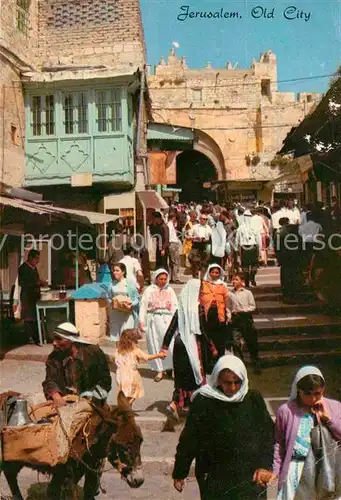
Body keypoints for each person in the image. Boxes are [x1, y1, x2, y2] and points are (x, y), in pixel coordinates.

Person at [172, 355, 275, 499]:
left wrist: (265, 466)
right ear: (217, 379)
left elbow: (268, 435)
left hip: (249, 476)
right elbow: (190, 439)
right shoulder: (203, 401)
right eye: (227, 382)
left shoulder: (253, 399)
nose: (232, 388)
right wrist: (180, 472)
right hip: (215, 476)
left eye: (237, 382)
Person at [269, 366, 341, 500]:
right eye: (308, 394)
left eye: (318, 393)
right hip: (296, 471)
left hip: (327, 470)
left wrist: (328, 419)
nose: (313, 398)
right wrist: (276, 471)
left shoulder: (335, 407)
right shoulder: (286, 411)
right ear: (298, 391)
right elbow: (280, 444)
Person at [43, 322, 112, 408]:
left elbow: (105, 380)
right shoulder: (54, 357)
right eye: (54, 338)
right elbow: (50, 380)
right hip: (65, 403)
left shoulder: (94, 352)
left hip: (93, 402)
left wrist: (93, 397)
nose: (54, 343)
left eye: (58, 339)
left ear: (71, 340)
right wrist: (56, 397)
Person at [139, 269, 178, 382]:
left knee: (170, 344)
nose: (163, 281)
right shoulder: (149, 290)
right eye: (160, 279)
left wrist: (176, 322)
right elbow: (143, 306)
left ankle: (170, 367)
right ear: (155, 279)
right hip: (154, 321)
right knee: (155, 344)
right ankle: (159, 370)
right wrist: (142, 320)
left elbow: (175, 306)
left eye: (165, 279)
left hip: (167, 320)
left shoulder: (170, 290)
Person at [114, 328, 166, 406]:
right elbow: (147, 357)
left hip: (120, 375)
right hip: (131, 374)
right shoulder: (135, 350)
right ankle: (126, 407)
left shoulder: (118, 350)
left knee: (125, 393)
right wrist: (159, 355)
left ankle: (126, 407)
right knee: (135, 391)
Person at [198, 264, 231, 374]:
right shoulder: (203, 284)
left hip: (219, 316)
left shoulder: (223, 286)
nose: (215, 274)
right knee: (207, 340)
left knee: (219, 341)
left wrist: (228, 314)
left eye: (217, 273)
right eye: (213, 272)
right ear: (209, 273)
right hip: (207, 316)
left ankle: (220, 366)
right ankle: (208, 367)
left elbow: (227, 301)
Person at [228, 272, 261, 374]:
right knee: (235, 343)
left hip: (246, 319)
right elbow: (228, 307)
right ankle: (240, 365)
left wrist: (243, 310)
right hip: (235, 320)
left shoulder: (247, 293)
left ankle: (256, 364)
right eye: (232, 279)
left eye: (236, 279)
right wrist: (229, 315)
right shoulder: (230, 294)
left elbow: (253, 306)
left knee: (252, 343)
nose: (234, 281)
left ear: (242, 282)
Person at [18, 249, 46, 345]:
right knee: (28, 318)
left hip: (34, 296)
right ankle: (28, 338)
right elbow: (22, 283)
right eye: (36, 259)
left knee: (34, 317)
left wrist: (41, 283)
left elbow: (36, 279)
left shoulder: (34, 268)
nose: (38, 261)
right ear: (30, 258)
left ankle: (35, 337)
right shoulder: (23, 268)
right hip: (27, 296)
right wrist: (36, 283)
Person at [108, 262, 140, 341]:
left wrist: (131, 304)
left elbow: (137, 299)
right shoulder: (111, 285)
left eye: (117, 270)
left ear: (123, 272)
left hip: (127, 315)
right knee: (117, 339)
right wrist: (111, 303)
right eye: (114, 270)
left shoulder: (129, 284)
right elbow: (108, 297)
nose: (114, 272)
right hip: (115, 314)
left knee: (127, 337)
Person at [235, 209, 260, 288]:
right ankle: (251, 279)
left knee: (246, 265)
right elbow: (258, 239)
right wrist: (259, 248)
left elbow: (237, 239)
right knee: (253, 264)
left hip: (245, 248)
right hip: (253, 247)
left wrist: (236, 248)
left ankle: (248, 281)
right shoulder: (254, 227)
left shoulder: (240, 228)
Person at [188, 213, 212, 279]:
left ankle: (202, 279)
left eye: (206, 219)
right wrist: (195, 237)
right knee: (195, 263)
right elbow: (188, 236)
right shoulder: (195, 227)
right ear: (200, 219)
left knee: (204, 264)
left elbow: (212, 236)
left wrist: (207, 239)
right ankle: (195, 278)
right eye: (204, 219)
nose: (205, 220)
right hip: (196, 245)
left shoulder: (208, 228)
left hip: (204, 246)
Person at [167, 211, 183, 284]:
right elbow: (169, 236)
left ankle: (172, 277)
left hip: (172, 244)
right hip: (173, 244)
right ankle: (175, 278)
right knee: (176, 262)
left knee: (172, 262)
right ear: (173, 218)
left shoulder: (170, 225)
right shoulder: (170, 225)